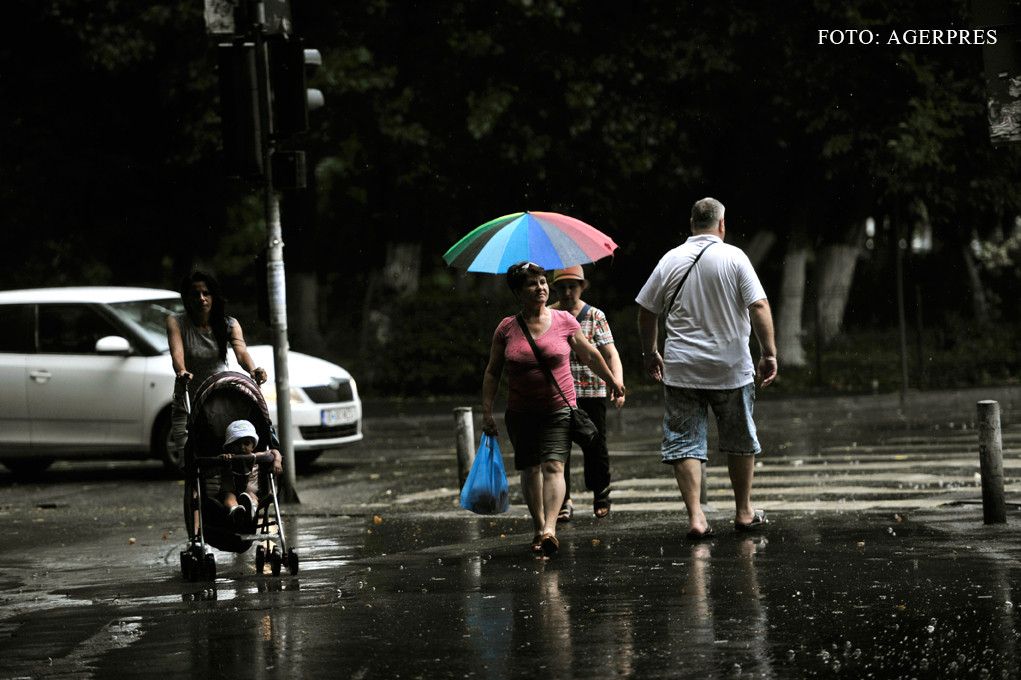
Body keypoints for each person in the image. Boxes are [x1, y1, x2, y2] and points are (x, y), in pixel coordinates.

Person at [635, 197, 777, 540]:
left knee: (685, 442)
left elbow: (646, 311)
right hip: (731, 368)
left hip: (682, 369)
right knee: (740, 438)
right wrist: (769, 353)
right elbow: (758, 305)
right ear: (722, 224)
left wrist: (650, 352)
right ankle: (744, 512)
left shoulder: (670, 259)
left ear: (691, 223)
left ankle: (697, 518)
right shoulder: (735, 257)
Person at [482, 262, 626, 557]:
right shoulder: (506, 328)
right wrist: (486, 411)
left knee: (553, 466)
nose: (542, 288)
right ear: (518, 293)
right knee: (530, 469)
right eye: (532, 284)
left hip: (558, 409)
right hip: (521, 412)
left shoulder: (564, 321)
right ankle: (537, 527)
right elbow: (493, 373)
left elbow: (589, 354)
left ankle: (550, 529)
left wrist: (612, 380)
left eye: (544, 282)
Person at [549, 266, 624, 520]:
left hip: (592, 389)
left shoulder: (594, 315)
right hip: (558, 391)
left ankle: (600, 490)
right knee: (560, 446)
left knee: (595, 443)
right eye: (562, 287)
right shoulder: (547, 314)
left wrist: (617, 382)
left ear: (583, 286)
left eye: (573, 286)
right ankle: (563, 499)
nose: (568, 292)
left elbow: (610, 352)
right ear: (554, 288)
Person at [166, 271, 268, 454]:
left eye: (206, 293)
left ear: (213, 296)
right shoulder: (177, 322)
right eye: (195, 294)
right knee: (189, 458)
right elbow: (177, 353)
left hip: (220, 399)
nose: (201, 299)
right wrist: (182, 371)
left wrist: (253, 370)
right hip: (189, 396)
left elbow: (242, 352)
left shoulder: (229, 324)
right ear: (187, 299)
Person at [217, 419, 284, 532]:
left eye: (246, 443)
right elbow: (217, 464)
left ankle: (251, 509)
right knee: (229, 496)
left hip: (250, 491)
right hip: (232, 490)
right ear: (229, 446)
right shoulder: (228, 457)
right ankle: (235, 511)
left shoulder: (256, 456)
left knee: (251, 496)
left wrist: (277, 461)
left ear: (253, 445)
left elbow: (274, 452)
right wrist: (224, 457)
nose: (242, 447)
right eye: (237, 444)